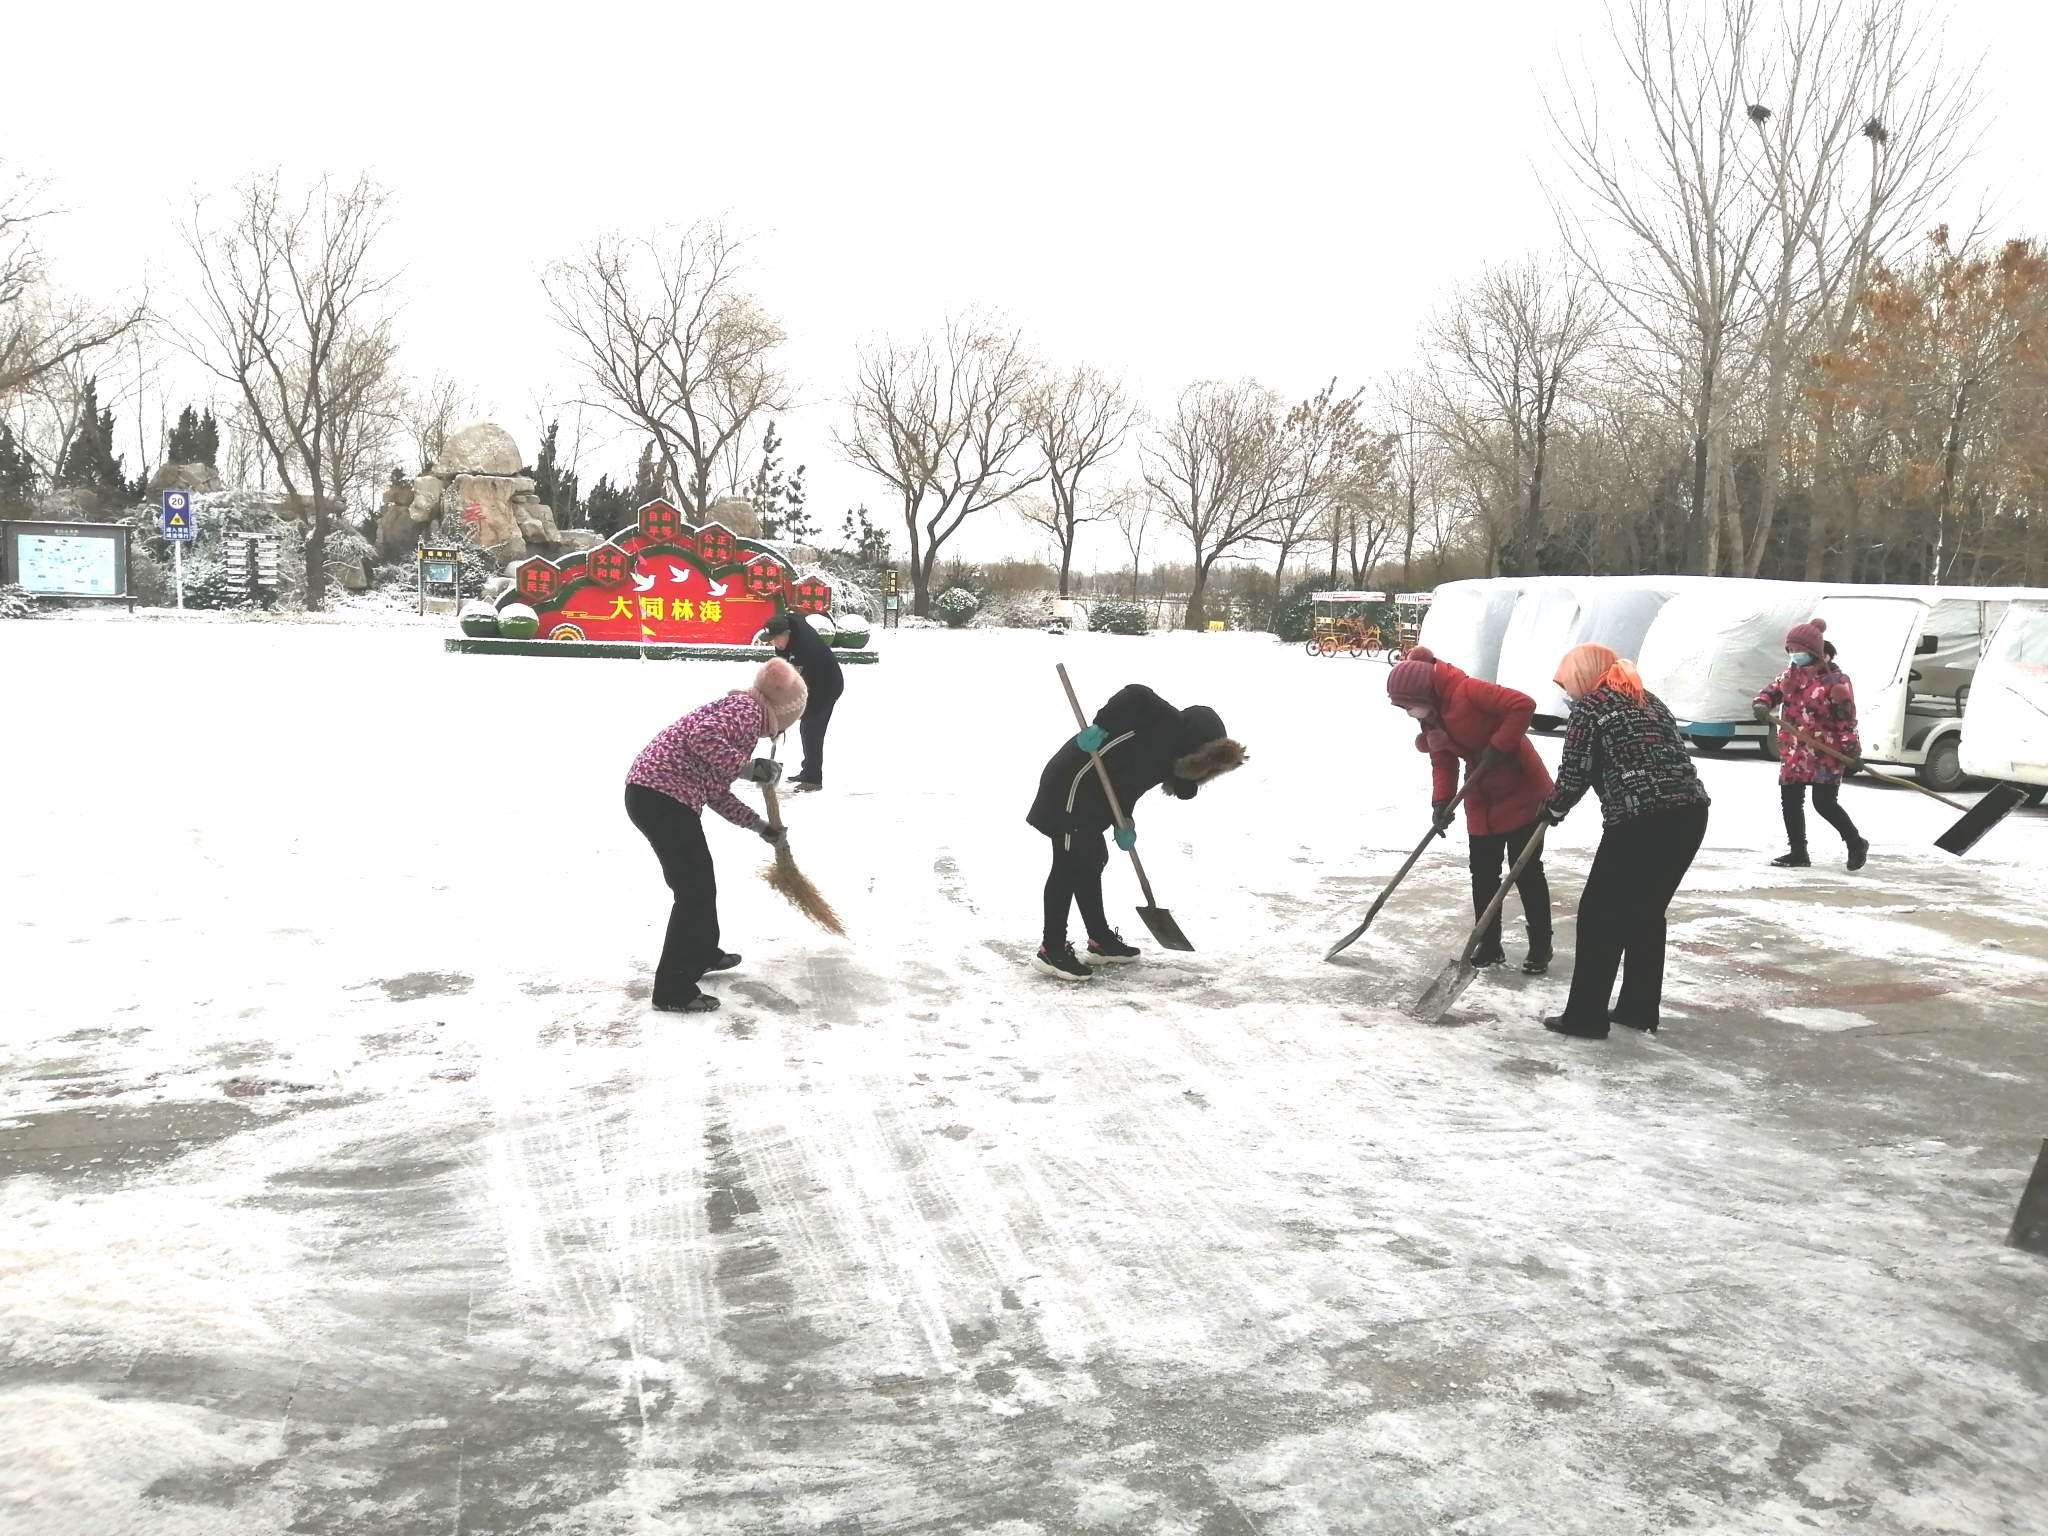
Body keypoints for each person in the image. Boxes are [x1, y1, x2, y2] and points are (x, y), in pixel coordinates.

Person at [1538, 643, 1712, 1040]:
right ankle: (1638, 1008)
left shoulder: (1591, 707)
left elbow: (1575, 773)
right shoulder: (1644, 697)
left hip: (1641, 820)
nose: (1567, 693)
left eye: (1567, 683)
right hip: (1689, 815)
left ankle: (1585, 1016)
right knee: (1645, 914)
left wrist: (1552, 807)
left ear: (1583, 676)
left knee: (1601, 916)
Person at [1024, 684, 1246, 980]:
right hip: (1072, 785)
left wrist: (1123, 820)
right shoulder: (1167, 725)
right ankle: (1051, 948)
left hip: (1095, 796)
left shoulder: (1170, 758)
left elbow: (1129, 779)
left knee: (1090, 861)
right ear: (1198, 746)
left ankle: (1100, 940)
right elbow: (1136, 693)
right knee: (1068, 866)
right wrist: (1101, 728)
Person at [624, 659, 809, 1013]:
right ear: (783, 712)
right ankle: (673, 989)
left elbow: (716, 792)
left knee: (700, 885)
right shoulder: (746, 710)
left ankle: (702, 954)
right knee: (693, 892)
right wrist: (749, 768)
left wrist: (761, 827)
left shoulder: (742, 715)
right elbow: (702, 737)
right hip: (661, 798)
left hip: (657, 796)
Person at [1384, 646, 1555, 974]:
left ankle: (1541, 945)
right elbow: (1443, 760)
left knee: (1526, 870)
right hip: (1481, 794)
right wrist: (1441, 802)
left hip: (1521, 785)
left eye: (1408, 706)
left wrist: (1498, 746)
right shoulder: (1431, 715)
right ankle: (1489, 944)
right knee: (1483, 872)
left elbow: (1523, 705)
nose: (1408, 713)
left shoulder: (1468, 690)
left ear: (1424, 693)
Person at [1753, 617, 1868, 871]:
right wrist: (1761, 703)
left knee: (1824, 803)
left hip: (1826, 752)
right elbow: (1770, 691)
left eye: (1799, 650)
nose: (1794, 655)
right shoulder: (1790, 675)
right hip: (1794, 751)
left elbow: (1846, 721)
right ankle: (1798, 852)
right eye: (1790, 650)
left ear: (1815, 651)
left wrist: (1853, 752)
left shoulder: (1836, 682)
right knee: (1790, 801)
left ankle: (1855, 842)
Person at [761, 612, 844, 792]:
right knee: (806, 728)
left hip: (825, 687)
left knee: (812, 730)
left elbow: (797, 687)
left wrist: (783, 712)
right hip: (809, 682)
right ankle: (807, 771)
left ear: (786, 634)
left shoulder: (806, 649)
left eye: (775, 639)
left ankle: (813, 779)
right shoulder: (787, 636)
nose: (773, 644)